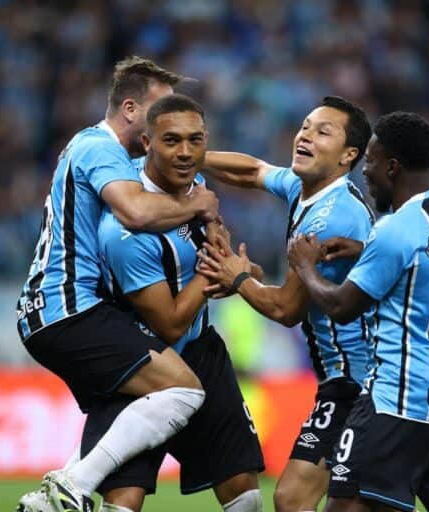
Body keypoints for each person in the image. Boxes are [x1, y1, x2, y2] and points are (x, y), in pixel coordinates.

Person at [15, 57, 219, 512]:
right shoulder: (98, 147)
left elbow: (203, 160)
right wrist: (198, 205)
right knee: (183, 389)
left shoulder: (109, 153)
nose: (170, 124)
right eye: (160, 111)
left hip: (62, 310)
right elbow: (138, 213)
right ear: (130, 109)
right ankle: (70, 484)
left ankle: (66, 491)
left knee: (128, 419)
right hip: (69, 307)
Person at [287, 111, 429, 512]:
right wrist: (366, 253)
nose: (366, 173)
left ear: (392, 166)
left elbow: (341, 307)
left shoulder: (394, 229)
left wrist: (305, 266)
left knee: (346, 507)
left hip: (395, 405)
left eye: (371, 162)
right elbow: (424, 271)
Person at [198, 96, 375, 512]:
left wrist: (238, 277)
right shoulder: (305, 187)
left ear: (348, 155)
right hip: (346, 379)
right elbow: (254, 170)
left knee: (295, 497)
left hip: (359, 381)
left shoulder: (333, 216)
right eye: (305, 126)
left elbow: (286, 310)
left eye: (323, 131)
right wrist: (192, 158)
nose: (306, 135)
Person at [92, 94, 264, 512]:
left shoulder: (197, 188)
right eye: (171, 141)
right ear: (148, 142)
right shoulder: (126, 230)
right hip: (141, 360)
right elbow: (168, 324)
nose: (185, 152)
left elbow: (226, 258)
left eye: (195, 140)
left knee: (244, 491)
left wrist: (239, 271)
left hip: (202, 351)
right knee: (123, 500)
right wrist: (214, 272)